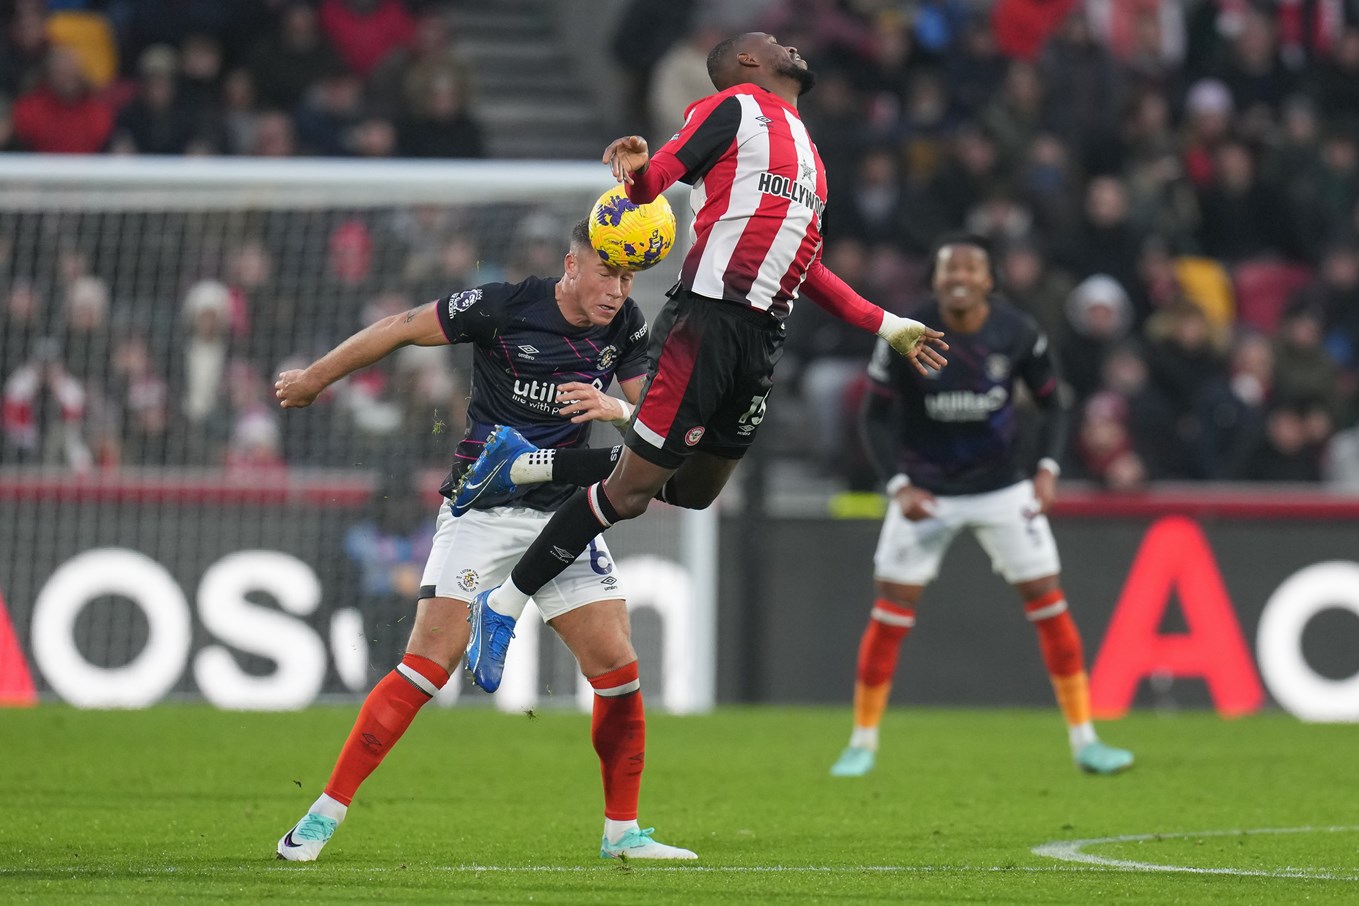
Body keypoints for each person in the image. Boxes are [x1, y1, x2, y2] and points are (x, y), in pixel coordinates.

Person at [457, 32, 949, 695]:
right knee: (630, 492)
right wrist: (638, 171)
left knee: (694, 490)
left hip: (762, 336)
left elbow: (806, 266)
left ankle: (524, 464)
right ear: (747, 61)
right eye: (771, 41)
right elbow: (656, 180)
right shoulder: (736, 107)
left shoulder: (809, 154)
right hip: (708, 321)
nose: (788, 43)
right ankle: (503, 603)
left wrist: (888, 325)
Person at [272, 218, 698, 862]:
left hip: (564, 516)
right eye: (607, 273)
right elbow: (400, 327)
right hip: (483, 509)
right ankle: (321, 816)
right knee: (428, 664)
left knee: (617, 668)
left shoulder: (625, 325)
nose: (617, 291)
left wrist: (617, 410)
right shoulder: (502, 305)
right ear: (571, 265)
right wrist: (314, 379)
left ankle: (623, 833)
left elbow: (651, 431)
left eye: (628, 278)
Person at [828, 233, 1134, 778]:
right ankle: (862, 741)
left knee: (1048, 601)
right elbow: (873, 416)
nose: (960, 278)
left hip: (1002, 488)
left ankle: (1086, 739)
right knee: (891, 609)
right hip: (926, 492)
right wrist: (898, 485)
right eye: (950, 269)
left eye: (971, 269)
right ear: (936, 279)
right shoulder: (906, 331)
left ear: (989, 280)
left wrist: (1048, 468)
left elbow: (1054, 404)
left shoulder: (1018, 333)